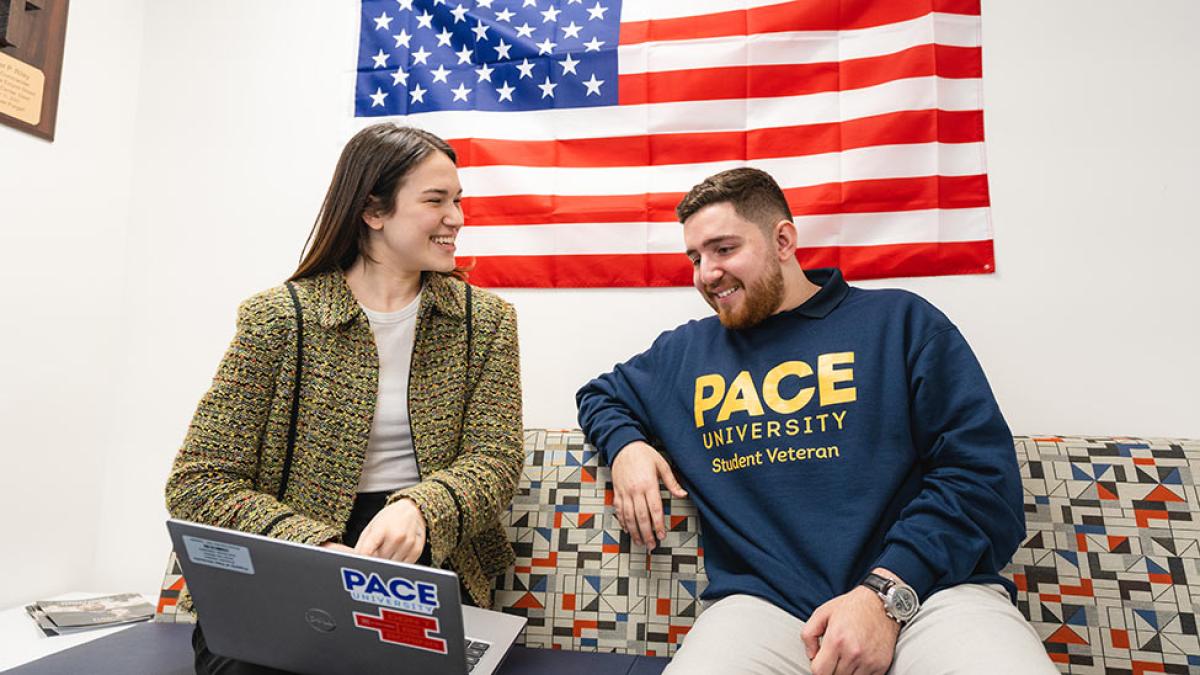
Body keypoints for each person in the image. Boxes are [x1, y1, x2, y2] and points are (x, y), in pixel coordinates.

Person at [576, 168, 1056, 674]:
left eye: (723, 249)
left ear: (783, 240)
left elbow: (983, 483)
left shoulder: (900, 324)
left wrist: (881, 595)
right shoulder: (687, 353)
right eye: (695, 257)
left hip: (929, 597)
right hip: (767, 609)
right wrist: (626, 446)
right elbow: (600, 395)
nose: (706, 273)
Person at [165, 124, 524, 674]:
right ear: (373, 211)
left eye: (458, 200)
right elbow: (198, 482)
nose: (457, 217)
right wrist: (314, 553)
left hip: (424, 550)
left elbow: (496, 460)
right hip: (290, 560)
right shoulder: (277, 320)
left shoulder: (486, 322)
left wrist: (421, 507)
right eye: (436, 200)